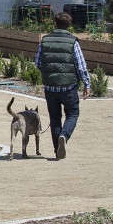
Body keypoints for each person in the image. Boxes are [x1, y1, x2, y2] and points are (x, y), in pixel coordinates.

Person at [34, 11, 92, 160]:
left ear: (55, 23)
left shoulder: (45, 40)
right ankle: (64, 136)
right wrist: (87, 83)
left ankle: (57, 151)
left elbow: (38, 62)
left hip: (50, 87)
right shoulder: (73, 42)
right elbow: (80, 65)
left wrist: (49, 74)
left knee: (55, 118)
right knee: (73, 114)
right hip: (69, 87)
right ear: (69, 26)